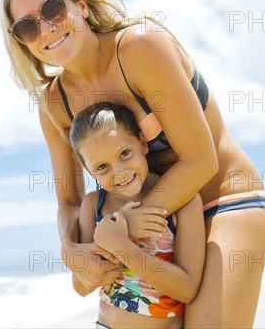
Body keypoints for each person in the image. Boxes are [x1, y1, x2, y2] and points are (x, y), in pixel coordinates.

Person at [0, 0, 265, 327]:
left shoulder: (140, 47)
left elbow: (200, 160)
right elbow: (68, 200)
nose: (46, 28)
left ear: (79, 4)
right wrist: (71, 252)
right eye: (27, 26)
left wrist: (124, 227)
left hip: (221, 202)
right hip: (147, 229)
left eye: (53, 9)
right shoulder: (54, 104)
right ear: (22, 42)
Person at [69, 102, 205, 329]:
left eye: (124, 153)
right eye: (102, 167)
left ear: (142, 143)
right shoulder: (93, 206)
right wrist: (109, 244)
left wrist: (122, 245)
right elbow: (81, 286)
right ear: (88, 170)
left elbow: (187, 289)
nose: (119, 173)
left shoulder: (184, 200)